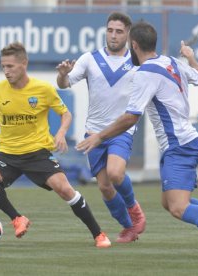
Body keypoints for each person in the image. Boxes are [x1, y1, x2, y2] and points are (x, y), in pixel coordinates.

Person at [76, 21, 198, 258]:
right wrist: (190, 57)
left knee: (179, 207)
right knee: (168, 202)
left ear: (134, 44)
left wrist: (99, 136)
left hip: (179, 145)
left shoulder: (145, 73)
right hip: (186, 142)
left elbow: (130, 117)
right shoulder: (171, 62)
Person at [0, 42, 111, 248]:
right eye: (3, 66)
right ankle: (17, 218)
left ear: (24, 64)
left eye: (10, 66)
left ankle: (98, 234)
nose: (6, 71)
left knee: (65, 189)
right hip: (8, 153)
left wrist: (61, 133)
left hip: (38, 153)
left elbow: (66, 114)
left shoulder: (43, 89)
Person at [56, 12, 146, 243]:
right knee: (105, 187)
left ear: (128, 34)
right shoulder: (89, 59)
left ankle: (134, 210)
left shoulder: (137, 62)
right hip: (93, 132)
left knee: (116, 173)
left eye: (118, 31)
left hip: (120, 130)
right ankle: (128, 227)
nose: (113, 35)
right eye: (110, 30)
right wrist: (62, 75)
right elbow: (65, 84)